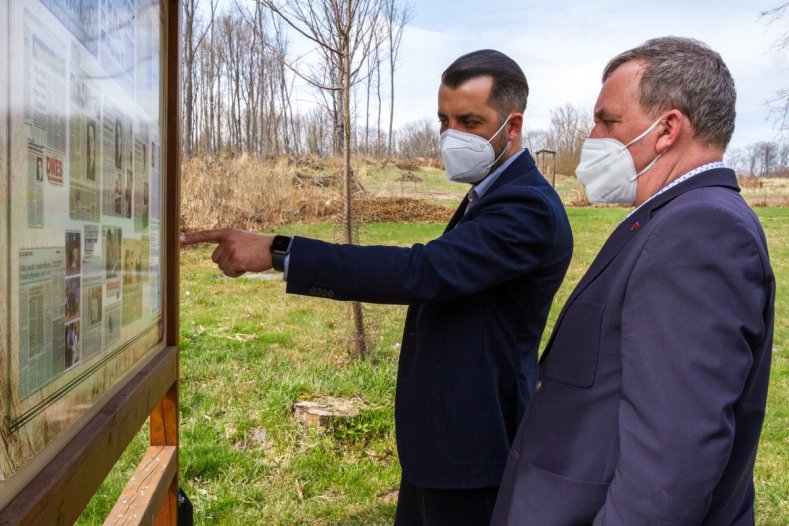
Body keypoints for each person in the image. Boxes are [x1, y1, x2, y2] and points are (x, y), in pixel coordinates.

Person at [181, 49, 573, 525]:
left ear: (512, 127)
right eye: (444, 120)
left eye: (470, 121)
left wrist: (280, 251)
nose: (452, 136)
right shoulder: (490, 193)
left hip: (474, 447)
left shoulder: (525, 205)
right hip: (443, 441)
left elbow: (423, 272)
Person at [492, 37, 775, 525]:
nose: (592, 133)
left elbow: (670, 470)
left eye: (608, 120)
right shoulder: (673, 216)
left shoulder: (699, 230)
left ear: (667, 129)